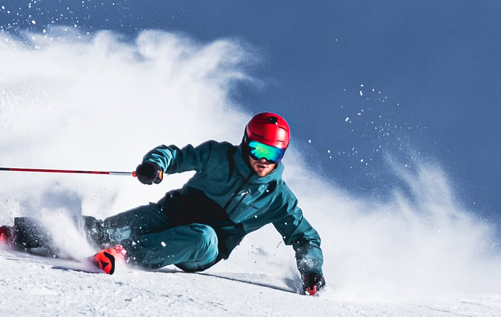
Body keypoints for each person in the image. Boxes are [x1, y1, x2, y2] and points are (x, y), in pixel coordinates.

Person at [84, 112, 326, 296]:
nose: (263, 160)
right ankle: (52, 236)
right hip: (169, 214)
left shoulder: (277, 197)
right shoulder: (218, 156)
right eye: (257, 149)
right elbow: (176, 156)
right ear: (246, 142)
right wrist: (156, 166)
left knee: (202, 236)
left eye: (272, 154)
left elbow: (305, 237)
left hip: (204, 247)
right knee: (105, 230)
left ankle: (125, 254)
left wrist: (311, 270)